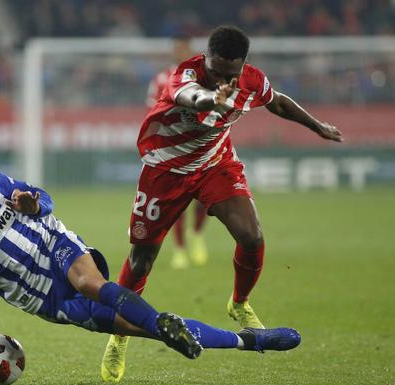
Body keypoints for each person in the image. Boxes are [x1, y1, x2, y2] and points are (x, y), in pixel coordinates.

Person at [0, 147, 301, 369]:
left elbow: (43, 199)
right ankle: (249, 341)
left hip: (55, 245)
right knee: (146, 329)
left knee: (90, 282)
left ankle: (160, 321)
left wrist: (33, 206)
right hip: (44, 299)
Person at [101, 25, 342, 382]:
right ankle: (118, 334)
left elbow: (275, 100)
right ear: (206, 58)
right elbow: (192, 97)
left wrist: (315, 125)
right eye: (215, 72)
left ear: (242, 66)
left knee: (252, 236)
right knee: (141, 259)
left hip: (214, 164)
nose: (221, 79)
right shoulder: (184, 76)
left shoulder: (251, 80)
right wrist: (211, 98)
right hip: (164, 170)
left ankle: (240, 304)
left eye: (229, 74)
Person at [146, 35, 209, 269]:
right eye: (178, 49)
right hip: (172, 148)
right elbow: (152, 113)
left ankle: (197, 233)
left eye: (185, 49)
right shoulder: (162, 79)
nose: (181, 52)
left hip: (201, 146)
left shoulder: (203, 79)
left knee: (204, 199)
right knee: (177, 201)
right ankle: (180, 250)